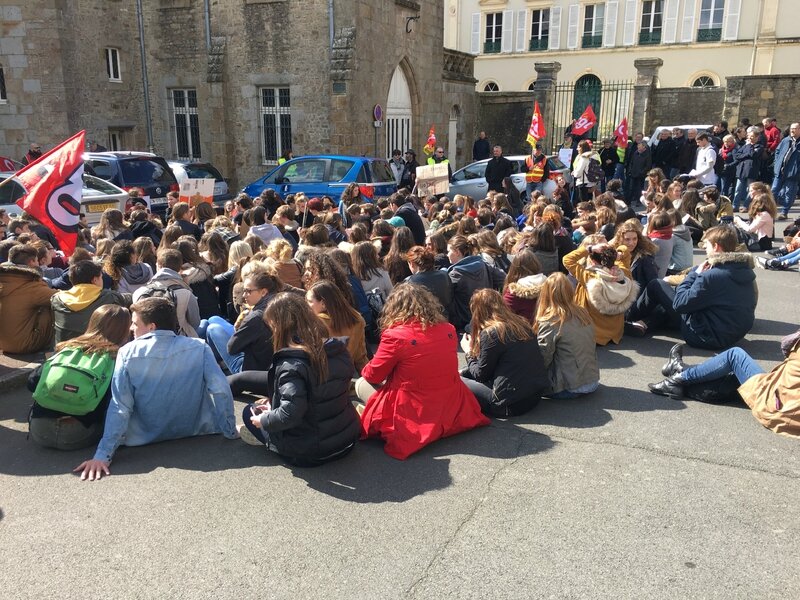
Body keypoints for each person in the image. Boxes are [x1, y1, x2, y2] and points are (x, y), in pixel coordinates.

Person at [73, 297, 237, 480]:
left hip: (143, 437)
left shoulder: (127, 352)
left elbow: (120, 406)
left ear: (151, 327)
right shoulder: (199, 347)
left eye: (135, 323)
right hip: (195, 429)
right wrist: (229, 430)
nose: (131, 328)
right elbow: (220, 390)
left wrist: (102, 455)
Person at [356, 284, 490, 459]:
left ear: (394, 309)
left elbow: (373, 375)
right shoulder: (448, 329)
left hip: (414, 409)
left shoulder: (395, 336)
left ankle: (371, 412)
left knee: (361, 383)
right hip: (450, 403)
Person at [238, 292, 361, 465]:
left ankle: (265, 437)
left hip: (311, 451)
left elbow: (291, 414)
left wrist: (264, 419)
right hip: (347, 440)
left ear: (279, 326)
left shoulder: (292, 364)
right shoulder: (337, 349)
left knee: (250, 412)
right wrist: (275, 404)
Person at [648, 330, 800, 438]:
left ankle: (678, 378)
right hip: (790, 412)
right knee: (732, 379)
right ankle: (680, 371)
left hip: (778, 407)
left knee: (734, 356)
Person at [626, 225, 756, 349]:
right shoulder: (744, 270)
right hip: (732, 332)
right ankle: (644, 323)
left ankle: (627, 317)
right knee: (670, 299)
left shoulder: (712, 276)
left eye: (707, 245)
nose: (705, 248)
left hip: (705, 336)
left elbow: (679, 304)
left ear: (716, 247)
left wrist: (694, 274)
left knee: (657, 285)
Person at [27, 305, 131, 450]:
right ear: (124, 330)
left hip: (40, 431)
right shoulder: (118, 357)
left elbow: (32, 382)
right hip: (80, 434)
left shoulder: (66, 348)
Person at [460, 289, 548, 417]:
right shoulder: (521, 323)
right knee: (464, 371)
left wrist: (468, 352)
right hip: (534, 396)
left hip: (510, 405)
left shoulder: (491, 333)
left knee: (457, 380)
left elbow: (481, 374)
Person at [535, 272, 600, 399]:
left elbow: (543, 358)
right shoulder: (582, 312)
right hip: (592, 381)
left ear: (546, 294)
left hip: (569, 387)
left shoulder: (551, 321)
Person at [563, 241, 636, 346]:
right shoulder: (624, 273)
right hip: (616, 333)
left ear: (592, 261)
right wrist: (618, 253)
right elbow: (626, 251)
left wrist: (590, 249)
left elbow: (567, 259)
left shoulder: (589, 277)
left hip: (594, 334)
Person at [205, 270, 276, 375]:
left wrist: (241, 328)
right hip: (265, 360)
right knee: (213, 319)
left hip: (248, 370)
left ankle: (216, 369)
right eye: (244, 290)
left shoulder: (255, 317)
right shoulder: (275, 304)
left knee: (212, 329)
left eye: (248, 291)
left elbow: (231, 348)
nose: (244, 295)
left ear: (263, 292)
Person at [52, 260, 130, 344]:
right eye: (101, 277)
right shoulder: (111, 298)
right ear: (95, 280)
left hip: (64, 351)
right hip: (96, 352)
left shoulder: (56, 299)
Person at [0, 244, 57, 353]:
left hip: (2, 344)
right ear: (31, 263)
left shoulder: (4, 279)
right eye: (36, 261)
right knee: (52, 305)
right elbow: (61, 298)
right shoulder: (30, 284)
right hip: (24, 344)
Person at [132, 248, 201, 337]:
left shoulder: (139, 292)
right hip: (180, 341)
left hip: (146, 341)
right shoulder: (186, 294)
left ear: (158, 266)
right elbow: (195, 323)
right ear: (180, 267)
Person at [446, 234, 505, 333]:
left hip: (465, 325)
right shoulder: (484, 265)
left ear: (456, 252)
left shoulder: (454, 275)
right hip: (489, 318)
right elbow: (504, 279)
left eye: (448, 251)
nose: (447, 255)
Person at [305, 280, 368, 372]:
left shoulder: (315, 323)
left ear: (323, 304)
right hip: (345, 377)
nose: (306, 304)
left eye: (309, 301)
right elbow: (360, 357)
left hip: (322, 379)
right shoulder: (357, 320)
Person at [771, 122, 800, 220]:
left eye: (795, 128)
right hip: (780, 170)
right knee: (773, 190)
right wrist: (777, 163)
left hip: (793, 173)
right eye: (791, 128)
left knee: (789, 193)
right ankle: (769, 210)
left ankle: (784, 212)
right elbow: (777, 151)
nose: (792, 130)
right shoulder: (786, 140)